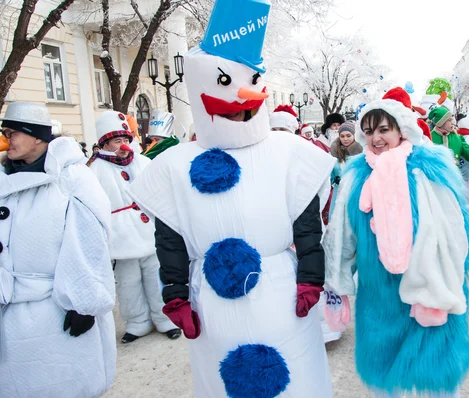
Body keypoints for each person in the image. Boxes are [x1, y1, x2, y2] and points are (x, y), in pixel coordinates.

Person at [129, 1, 335, 396]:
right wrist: (175, 294)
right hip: (214, 307)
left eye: (251, 81)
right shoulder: (174, 165)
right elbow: (169, 238)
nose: (242, 101)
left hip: (280, 295)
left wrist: (310, 278)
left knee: (296, 383)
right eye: (225, 83)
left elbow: (308, 225)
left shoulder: (289, 151)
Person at [324, 89, 469, 397]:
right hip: (379, 292)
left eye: (383, 130)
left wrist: (450, 274)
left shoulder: (430, 168)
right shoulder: (356, 176)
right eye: (368, 132)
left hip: (429, 289)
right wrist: (337, 281)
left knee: (434, 378)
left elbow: (456, 226)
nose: (376, 139)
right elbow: (342, 234)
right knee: (386, 378)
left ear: (401, 129)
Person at [0, 102, 117, 397]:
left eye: (11, 132)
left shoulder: (72, 179)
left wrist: (84, 301)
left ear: (37, 137)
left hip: (53, 312)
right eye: (3, 132)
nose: (5, 139)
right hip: (9, 313)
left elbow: (88, 240)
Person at [89, 110, 180, 344]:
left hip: (148, 230)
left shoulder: (142, 162)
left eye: (126, 140)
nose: (124, 146)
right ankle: (137, 321)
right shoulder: (93, 170)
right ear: (105, 143)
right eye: (117, 141)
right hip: (120, 237)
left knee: (155, 275)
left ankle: (165, 318)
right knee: (128, 282)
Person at [428, 106, 469, 174]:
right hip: (435, 179)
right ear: (441, 122)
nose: (452, 122)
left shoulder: (457, 138)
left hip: (454, 179)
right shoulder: (429, 138)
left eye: (451, 119)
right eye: (449, 120)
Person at [329, 120, 363, 216]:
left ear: (354, 135)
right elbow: (328, 175)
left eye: (348, 136)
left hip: (355, 191)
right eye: (342, 136)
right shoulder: (333, 154)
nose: (345, 139)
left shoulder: (361, 154)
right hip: (338, 191)